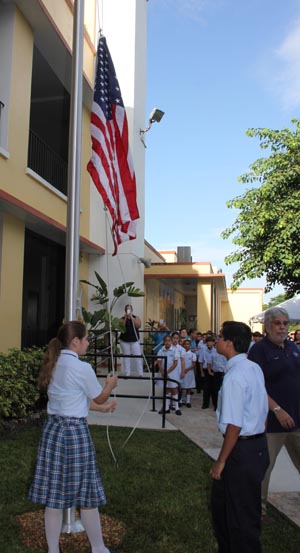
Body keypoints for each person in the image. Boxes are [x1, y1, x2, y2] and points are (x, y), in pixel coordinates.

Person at [28, 320, 118, 553]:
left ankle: (53, 550)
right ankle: (98, 548)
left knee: (54, 496)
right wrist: (110, 385)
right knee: (87, 495)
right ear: (76, 341)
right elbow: (97, 397)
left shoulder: (54, 364)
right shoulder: (82, 368)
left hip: (53, 432)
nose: (88, 342)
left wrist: (103, 407)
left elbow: (73, 399)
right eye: (86, 339)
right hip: (75, 434)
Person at [210, 321, 269, 553]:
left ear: (229, 343)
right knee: (231, 508)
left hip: (241, 452)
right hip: (256, 447)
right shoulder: (253, 368)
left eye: (220, 336)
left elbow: (234, 425)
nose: (216, 340)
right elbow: (262, 409)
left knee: (238, 517)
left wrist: (221, 461)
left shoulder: (235, 377)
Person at [248, 307, 300, 514]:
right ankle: (257, 508)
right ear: (268, 326)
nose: (282, 327)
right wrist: (277, 409)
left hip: (297, 419)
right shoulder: (258, 351)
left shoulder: (292, 348)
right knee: (264, 469)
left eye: (285, 323)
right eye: (277, 323)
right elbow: (256, 386)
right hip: (271, 421)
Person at [157, 335, 181, 415]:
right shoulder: (161, 350)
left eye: (169, 340)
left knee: (174, 389)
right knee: (166, 389)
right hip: (163, 373)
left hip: (172, 372)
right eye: (166, 341)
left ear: (171, 341)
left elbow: (175, 363)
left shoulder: (175, 350)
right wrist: (162, 372)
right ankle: (166, 408)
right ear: (163, 342)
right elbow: (159, 363)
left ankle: (176, 407)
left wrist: (167, 372)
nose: (167, 342)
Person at [119, 304, 143, 377]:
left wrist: (132, 318)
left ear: (132, 310)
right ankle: (127, 373)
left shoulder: (136, 317)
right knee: (126, 356)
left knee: (138, 356)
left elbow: (138, 326)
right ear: (125, 310)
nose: (128, 310)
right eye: (127, 309)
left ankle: (140, 373)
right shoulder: (122, 318)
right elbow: (121, 327)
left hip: (134, 340)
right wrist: (126, 317)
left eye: (129, 309)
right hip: (125, 340)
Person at [181, 339, 196, 407]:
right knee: (181, 387)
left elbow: (193, 364)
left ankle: (188, 401)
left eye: (188, 344)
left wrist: (186, 369)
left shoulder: (193, 355)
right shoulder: (181, 354)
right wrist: (183, 370)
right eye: (185, 344)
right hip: (182, 372)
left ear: (190, 345)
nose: (186, 345)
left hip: (189, 372)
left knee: (189, 387)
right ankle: (180, 400)